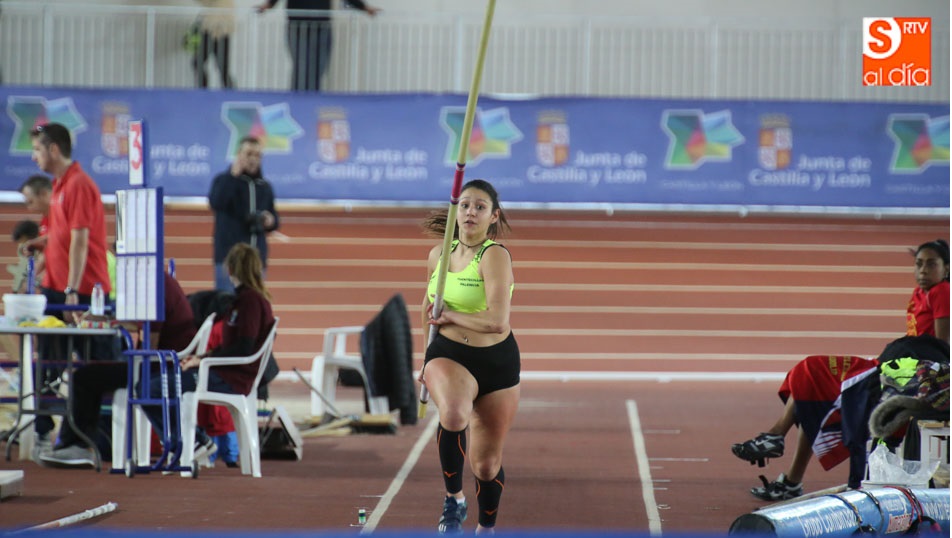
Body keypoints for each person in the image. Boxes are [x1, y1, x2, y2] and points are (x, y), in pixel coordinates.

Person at [732, 238, 951, 500]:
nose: (923, 270)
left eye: (931, 264)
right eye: (918, 264)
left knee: (810, 371)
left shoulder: (942, 291)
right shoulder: (921, 293)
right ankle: (786, 467)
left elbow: (941, 348)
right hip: (898, 367)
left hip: (909, 374)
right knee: (810, 390)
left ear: (947, 268)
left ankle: (777, 440)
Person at [419, 179, 519, 535]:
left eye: (479, 207)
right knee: (455, 411)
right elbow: (428, 309)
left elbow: (497, 321)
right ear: (455, 212)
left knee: (487, 465)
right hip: (448, 353)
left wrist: (451, 315)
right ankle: (453, 498)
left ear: (493, 216)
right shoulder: (438, 254)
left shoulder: (494, 255)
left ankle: (486, 527)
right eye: (464, 205)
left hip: (496, 361)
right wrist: (425, 360)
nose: (470, 212)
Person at [20, 123, 112, 462]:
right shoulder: (59, 186)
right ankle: (45, 433)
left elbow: (81, 241)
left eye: (38, 150)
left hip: (83, 293)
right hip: (56, 291)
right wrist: (41, 243)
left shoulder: (79, 185)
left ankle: (95, 440)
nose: (34, 157)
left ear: (54, 150)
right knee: (46, 363)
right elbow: (62, 235)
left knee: (94, 366)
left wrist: (73, 290)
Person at [38, 272, 197, 467]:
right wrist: (107, 320)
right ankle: (78, 444)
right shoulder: (160, 281)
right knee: (88, 375)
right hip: (161, 363)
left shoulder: (155, 289)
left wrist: (113, 324)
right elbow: (143, 328)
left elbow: (150, 347)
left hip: (159, 368)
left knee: (85, 378)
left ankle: (76, 446)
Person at [141, 243, 276, 465]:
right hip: (228, 373)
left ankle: (193, 441)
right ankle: (190, 441)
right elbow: (237, 347)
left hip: (230, 378)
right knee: (156, 385)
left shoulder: (249, 302)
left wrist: (204, 361)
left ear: (230, 269)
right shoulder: (248, 300)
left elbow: (243, 348)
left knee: (151, 387)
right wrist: (200, 359)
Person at [256, 0, 380, 92]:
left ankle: (312, 99)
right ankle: (297, 99)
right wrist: (268, 5)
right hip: (298, 26)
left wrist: (364, 8)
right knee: (302, 67)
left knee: (319, 66)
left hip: (322, 26)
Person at [208, 136, 279, 292]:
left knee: (253, 309)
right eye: (249, 154)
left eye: (257, 155)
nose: (253, 159)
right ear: (238, 155)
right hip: (229, 259)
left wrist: (270, 220)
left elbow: (275, 219)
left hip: (256, 261)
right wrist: (233, 176)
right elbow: (216, 202)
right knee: (227, 308)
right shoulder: (223, 181)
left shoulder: (264, 186)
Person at [192, 0, 236, 89]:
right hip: (210, 30)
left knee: (222, 67)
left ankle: (231, 93)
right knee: (198, 62)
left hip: (221, 31)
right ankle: (203, 91)